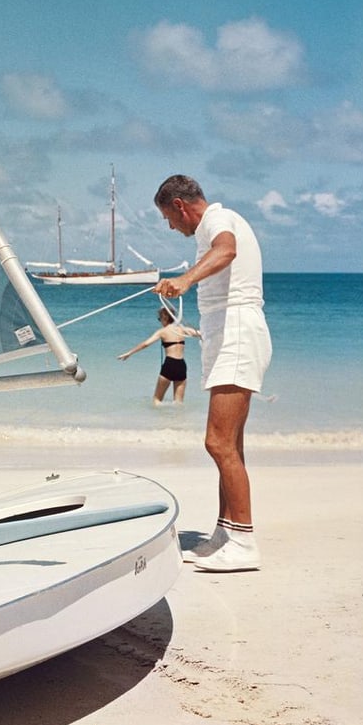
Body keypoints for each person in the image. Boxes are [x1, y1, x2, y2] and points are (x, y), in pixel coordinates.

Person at [152, 174, 271, 572]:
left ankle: (244, 541)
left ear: (181, 206)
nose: (171, 226)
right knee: (230, 445)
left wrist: (185, 279)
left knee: (218, 443)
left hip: (238, 333)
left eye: (169, 218)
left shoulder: (219, 222)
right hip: (229, 335)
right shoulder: (213, 225)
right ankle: (226, 533)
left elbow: (227, 251)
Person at [117, 306, 200, 404]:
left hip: (170, 364)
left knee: (157, 400)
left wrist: (129, 353)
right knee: (179, 402)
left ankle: (158, 419)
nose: (160, 321)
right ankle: (178, 419)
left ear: (165, 318)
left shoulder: (162, 332)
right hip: (181, 365)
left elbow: (145, 344)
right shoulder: (182, 329)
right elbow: (201, 334)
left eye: (159, 319)